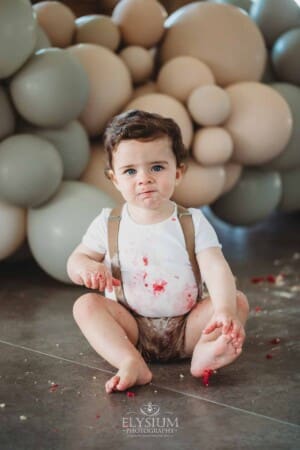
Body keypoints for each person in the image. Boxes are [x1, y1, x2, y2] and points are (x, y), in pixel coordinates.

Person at [67, 109, 249, 394]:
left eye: (157, 167)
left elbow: (216, 268)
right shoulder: (108, 223)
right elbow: (76, 259)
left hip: (188, 326)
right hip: (131, 329)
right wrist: (87, 268)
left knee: (236, 301)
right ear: (114, 179)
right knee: (86, 306)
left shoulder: (193, 222)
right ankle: (130, 360)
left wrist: (224, 310)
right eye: (130, 171)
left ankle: (203, 354)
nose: (144, 179)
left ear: (178, 172)